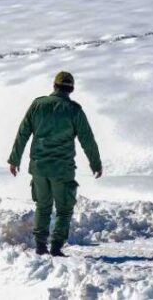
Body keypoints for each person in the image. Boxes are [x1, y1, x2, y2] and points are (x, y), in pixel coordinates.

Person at [8, 71, 102, 257]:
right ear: (71, 89)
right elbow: (87, 139)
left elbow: (23, 132)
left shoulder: (38, 104)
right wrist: (95, 163)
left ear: (54, 86)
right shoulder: (74, 110)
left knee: (42, 206)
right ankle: (57, 247)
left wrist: (14, 158)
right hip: (62, 169)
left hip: (39, 167)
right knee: (64, 209)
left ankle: (40, 245)